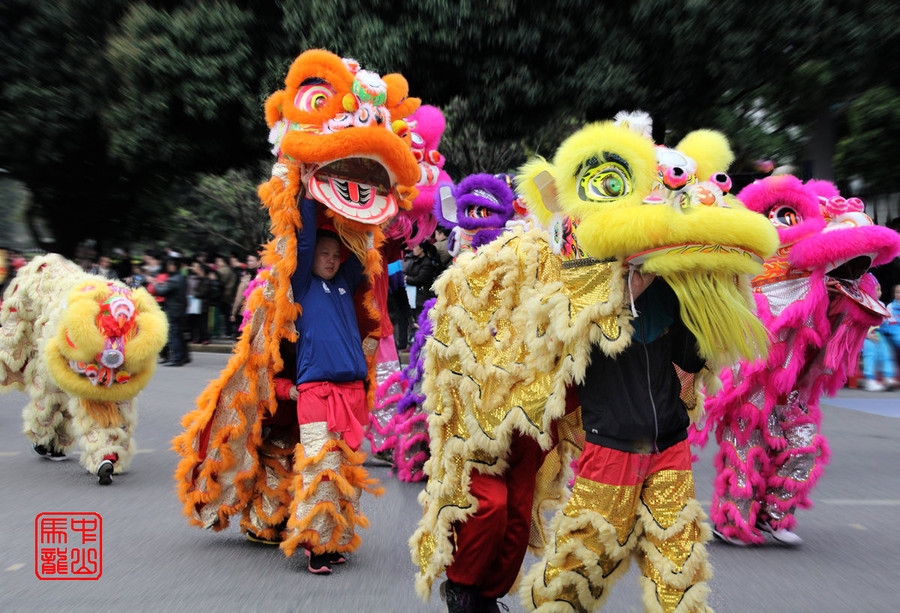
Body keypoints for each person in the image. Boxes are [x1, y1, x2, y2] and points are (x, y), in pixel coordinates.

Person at [285, 198, 375, 574]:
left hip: (352, 393)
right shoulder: (302, 283)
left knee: (344, 477)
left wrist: (371, 205)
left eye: (335, 254)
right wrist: (307, 196)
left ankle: (335, 540)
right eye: (325, 254)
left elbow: (364, 243)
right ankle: (315, 546)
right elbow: (303, 244)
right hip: (316, 393)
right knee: (320, 471)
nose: (331, 259)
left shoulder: (345, 280)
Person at [154, 258, 188, 366]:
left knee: (174, 334)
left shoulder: (174, 279)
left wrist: (155, 284)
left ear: (173, 266)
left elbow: (161, 292)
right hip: (180, 308)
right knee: (179, 334)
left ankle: (176, 358)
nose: (168, 267)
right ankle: (182, 357)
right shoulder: (181, 277)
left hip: (173, 310)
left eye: (169, 265)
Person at [403, 242, 436, 322]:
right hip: (412, 295)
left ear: (421, 249)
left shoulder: (426, 263)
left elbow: (420, 279)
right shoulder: (413, 259)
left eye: (415, 247)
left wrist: (407, 278)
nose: (413, 249)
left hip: (421, 295)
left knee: (420, 319)